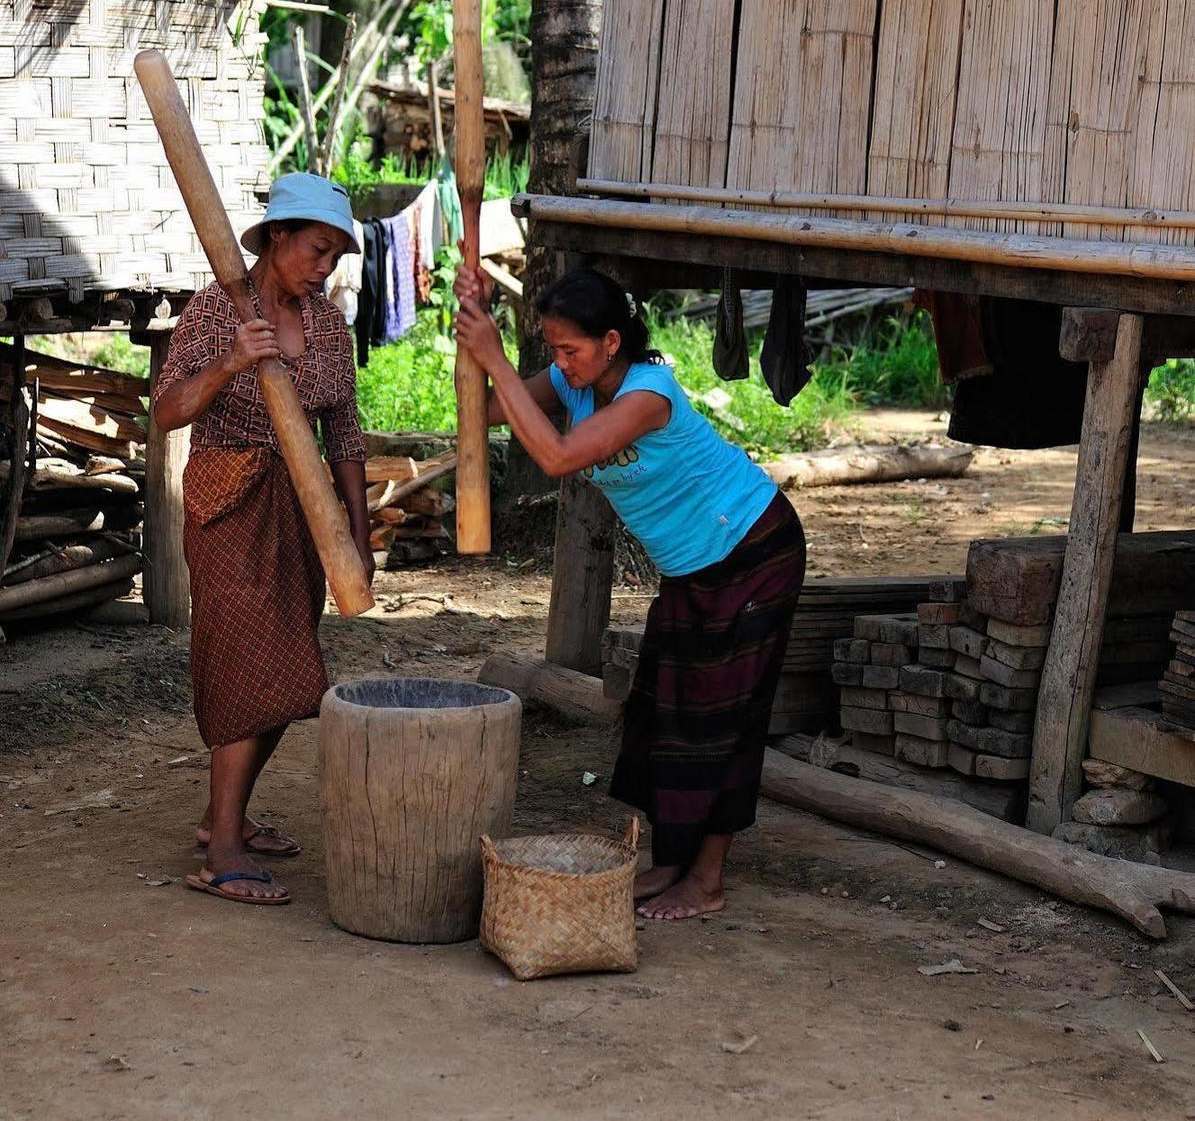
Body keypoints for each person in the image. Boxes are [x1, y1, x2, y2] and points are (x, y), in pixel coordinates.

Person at [455, 265, 806, 921]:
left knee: (721, 718)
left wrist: (496, 360)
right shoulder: (572, 380)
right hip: (693, 568)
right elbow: (484, 408)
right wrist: (473, 337)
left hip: (753, 549)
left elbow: (558, 456)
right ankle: (670, 862)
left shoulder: (649, 393)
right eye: (553, 351)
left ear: (611, 341)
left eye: (571, 350)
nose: (561, 364)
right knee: (663, 711)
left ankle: (705, 879)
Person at [154, 173, 372, 906]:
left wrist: (355, 532)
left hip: (302, 509)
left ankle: (229, 818)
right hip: (228, 503)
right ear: (277, 237)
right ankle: (220, 851)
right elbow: (166, 413)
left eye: (336, 255)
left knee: (290, 671)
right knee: (247, 662)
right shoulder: (217, 312)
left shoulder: (329, 325)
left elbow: (341, 431)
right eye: (316, 249)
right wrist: (230, 363)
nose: (324, 267)